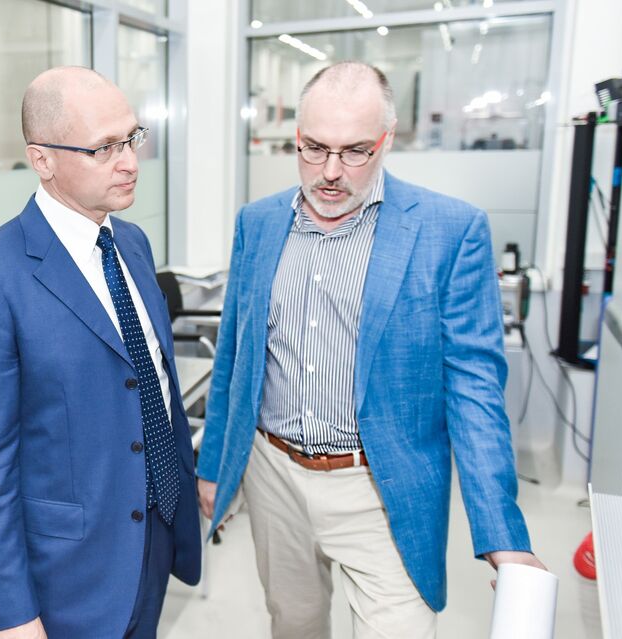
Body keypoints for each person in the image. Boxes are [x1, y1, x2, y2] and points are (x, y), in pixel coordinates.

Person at [196, 61, 544, 639]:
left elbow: (474, 390)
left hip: (381, 488)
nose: (331, 172)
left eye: (356, 151)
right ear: (296, 137)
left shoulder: (450, 231)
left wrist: (503, 535)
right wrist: (212, 467)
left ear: (387, 139)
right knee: (294, 623)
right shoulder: (257, 223)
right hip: (272, 475)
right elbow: (235, 355)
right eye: (314, 148)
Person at [0, 67, 201, 639]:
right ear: (43, 159)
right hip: (69, 580)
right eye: (104, 148)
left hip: (153, 535)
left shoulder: (131, 242)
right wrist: (11, 613)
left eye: (132, 138)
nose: (130, 162)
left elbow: (150, 383)